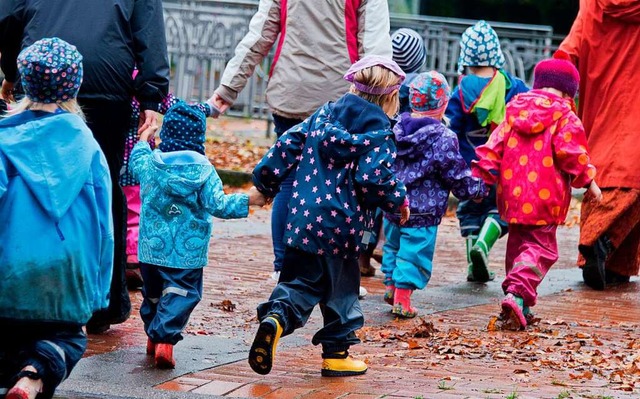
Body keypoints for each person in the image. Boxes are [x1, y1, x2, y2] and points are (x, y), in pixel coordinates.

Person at [0, 0, 170, 333]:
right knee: (101, 186)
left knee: (26, 181)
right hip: (105, 81)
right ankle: (103, 302)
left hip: (38, 79)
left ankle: (26, 286)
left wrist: (12, 70)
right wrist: (152, 96)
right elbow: (149, 31)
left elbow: (7, 16)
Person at [208, 0, 394, 286]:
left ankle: (284, 268)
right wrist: (381, 103)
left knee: (288, 182)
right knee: (344, 185)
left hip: (290, 92)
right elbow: (376, 48)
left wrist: (227, 90)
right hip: (342, 99)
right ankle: (336, 275)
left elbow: (259, 36)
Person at [248, 56, 409, 377]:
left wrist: (265, 181)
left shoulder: (321, 117)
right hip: (342, 230)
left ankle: (277, 318)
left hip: (302, 222)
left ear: (352, 86)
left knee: (298, 284)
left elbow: (286, 145)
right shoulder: (379, 136)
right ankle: (336, 354)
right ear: (391, 99)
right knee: (341, 295)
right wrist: (398, 201)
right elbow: (374, 178)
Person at [0, 37, 112, 399]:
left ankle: (19, 372)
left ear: (22, 81)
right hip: (67, 270)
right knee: (67, 337)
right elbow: (104, 224)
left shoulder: (4, 142)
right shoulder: (89, 146)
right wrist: (98, 290)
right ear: (75, 84)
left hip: (9, 268)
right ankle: (33, 376)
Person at [130, 101, 266, 369]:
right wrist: (249, 200)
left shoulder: (151, 163)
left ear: (167, 134)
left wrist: (145, 139)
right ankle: (165, 340)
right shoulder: (204, 170)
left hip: (151, 249)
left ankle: (152, 335)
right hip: (187, 251)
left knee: (153, 293)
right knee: (182, 292)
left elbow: (136, 161)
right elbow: (218, 205)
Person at [472, 58, 601, 330]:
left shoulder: (513, 110)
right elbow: (572, 155)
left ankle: (521, 302)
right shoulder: (566, 117)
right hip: (545, 200)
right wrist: (589, 180)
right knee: (541, 249)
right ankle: (518, 293)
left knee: (518, 247)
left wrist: (482, 176)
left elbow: (493, 146)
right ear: (569, 93)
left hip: (512, 197)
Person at [382, 71, 487, 318]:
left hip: (394, 203)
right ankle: (402, 299)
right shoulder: (443, 137)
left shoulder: (397, 128)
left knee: (393, 246)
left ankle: (390, 286)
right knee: (414, 254)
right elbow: (456, 175)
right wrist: (478, 190)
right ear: (443, 105)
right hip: (423, 210)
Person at [557, 0, 640, 290]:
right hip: (635, 114)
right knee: (632, 182)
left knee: (601, 178)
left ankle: (609, 262)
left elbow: (568, 51)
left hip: (600, 111)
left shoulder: (594, 5)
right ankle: (601, 243)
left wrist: (553, 97)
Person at [445, 20, 529, 283]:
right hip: (504, 167)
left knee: (470, 212)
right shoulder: (512, 87)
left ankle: (473, 263)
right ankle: (484, 244)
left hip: (471, 169)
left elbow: (451, 130)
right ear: (497, 56)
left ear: (465, 58)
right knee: (501, 211)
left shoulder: (460, 92)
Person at [358, 27, 428, 278]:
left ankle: (363, 259)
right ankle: (383, 246)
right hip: (404, 157)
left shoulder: (383, 82)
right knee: (394, 202)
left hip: (379, 150)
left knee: (371, 207)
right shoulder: (419, 86)